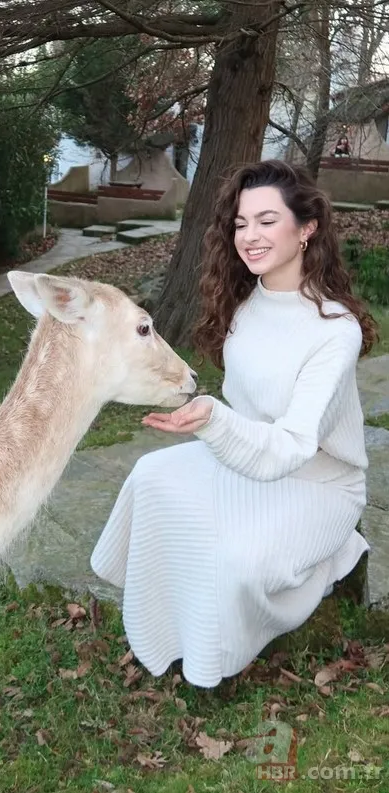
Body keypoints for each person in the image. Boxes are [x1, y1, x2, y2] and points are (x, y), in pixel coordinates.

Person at [90, 159, 378, 688]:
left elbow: (292, 443)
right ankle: (167, 623)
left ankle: (211, 657)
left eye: (267, 221)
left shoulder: (335, 331)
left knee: (234, 561)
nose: (250, 236)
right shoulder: (245, 304)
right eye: (242, 223)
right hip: (247, 457)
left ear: (306, 228)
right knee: (150, 477)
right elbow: (243, 408)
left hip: (316, 480)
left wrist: (213, 421)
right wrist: (214, 419)